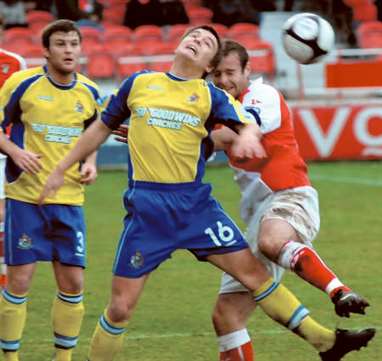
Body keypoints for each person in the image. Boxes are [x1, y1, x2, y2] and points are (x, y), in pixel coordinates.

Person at [37, 25, 359, 361]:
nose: (197, 40)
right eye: (193, 36)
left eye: (206, 42)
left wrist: (247, 134)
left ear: (208, 66)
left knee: (255, 276)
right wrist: (61, 169)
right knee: (119, 308)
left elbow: (245, 121)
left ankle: (325, 342)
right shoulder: (140, 83)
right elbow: (100, 128)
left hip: (196, 207)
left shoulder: (211, 97)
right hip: (148, 210)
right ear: (179, 44)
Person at [209, 39, 375, 361]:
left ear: (247, 70)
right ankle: (328, 344)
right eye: (216, 73)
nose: (223, 80)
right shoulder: (218, 104)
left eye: (229, 72)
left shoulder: (262, 95)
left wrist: (192, 140)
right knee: (227, 315)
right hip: (259, 213)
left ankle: (339, 291)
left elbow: (241, 131)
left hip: (290, 195)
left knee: (272, 240)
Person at [0, 19, 102, 361]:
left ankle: (63, 358)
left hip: (70, 200)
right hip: (26, 198)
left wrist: (91, 162)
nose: (68, 50)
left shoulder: (89, 92)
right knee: (20, 281)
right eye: (60, 44)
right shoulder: (22, 83)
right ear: (46, 51)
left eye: (73, 43)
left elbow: (94, 136)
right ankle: (9, 357)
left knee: (73, 284)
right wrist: (15, 151)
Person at [0, 25, 27, 288]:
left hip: (2, 150)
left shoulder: (13, 63)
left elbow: (21, 109)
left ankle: (4, 275)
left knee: (3, 213)